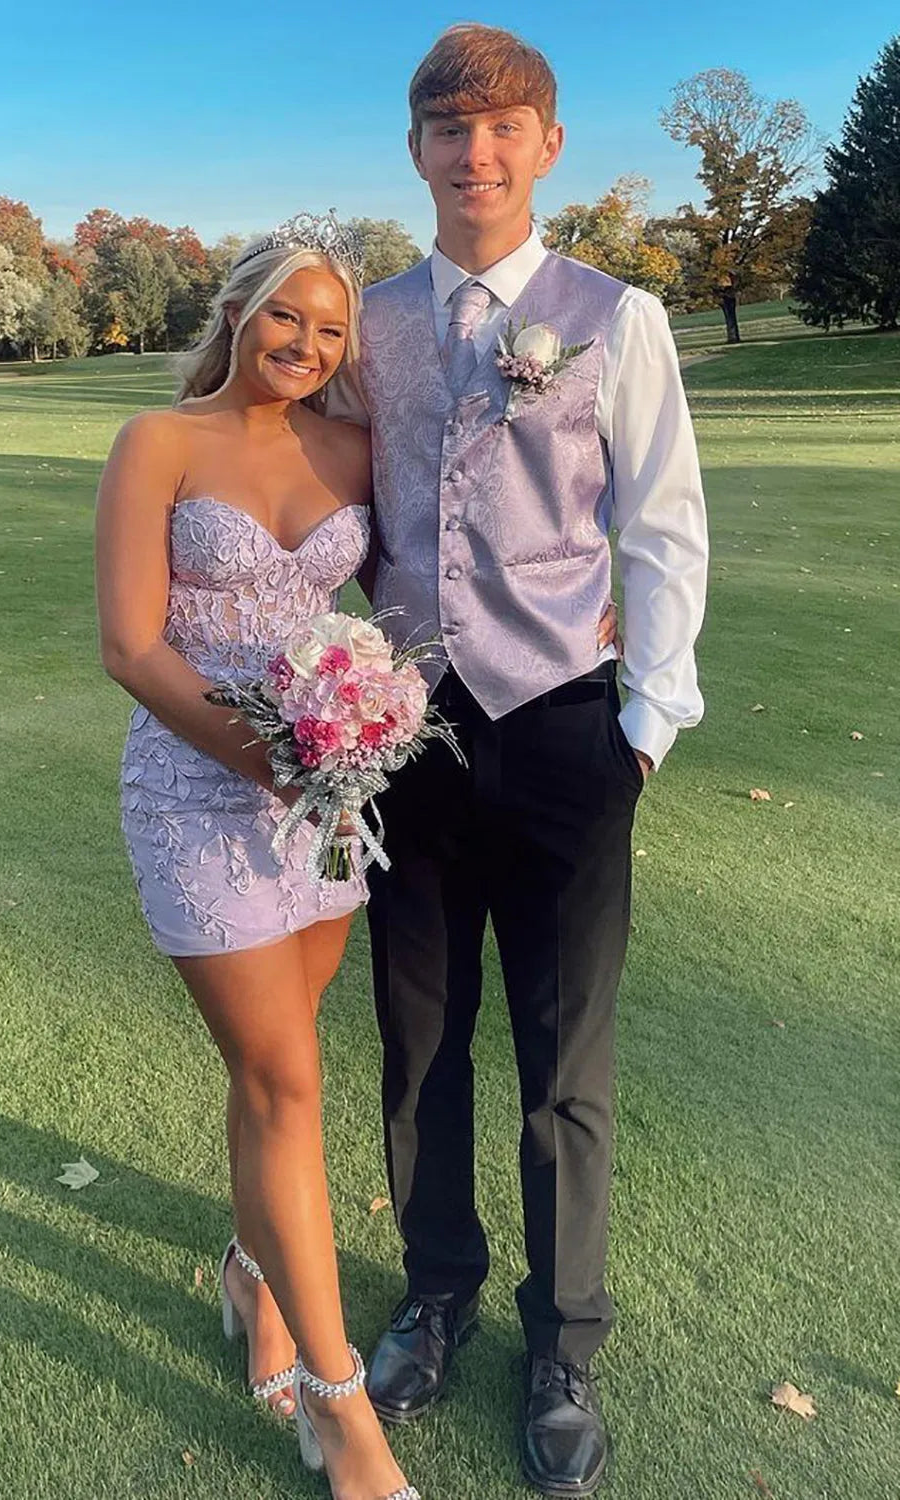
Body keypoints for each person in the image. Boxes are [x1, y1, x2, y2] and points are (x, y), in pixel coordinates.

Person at [348, 25, 709, 1497]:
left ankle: (563, 1341)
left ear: (547, 145)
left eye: (502, 126)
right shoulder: (366, 321)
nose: (474, 151)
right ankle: (436, 1292)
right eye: (449, 127)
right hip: (405, 738)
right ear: (416, 149)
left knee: (565, 1060)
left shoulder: (616, 316)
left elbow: (662, 524)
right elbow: (334, 506)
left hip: (564, 730)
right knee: (419, 1042)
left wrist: (646, 728)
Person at [94, 218, 422, 1500]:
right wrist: (264, 760)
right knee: (287, 1081)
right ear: (238, 313)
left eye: (331, 329)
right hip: (197, 794)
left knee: (272, 1065)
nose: (307, 344)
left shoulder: (353, 448)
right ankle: (342, 1413)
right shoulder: (159, 442)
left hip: (326, 803)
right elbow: (131, 646)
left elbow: (421, 578)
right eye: (287, 315)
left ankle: (253, 1275)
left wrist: (582, 607)